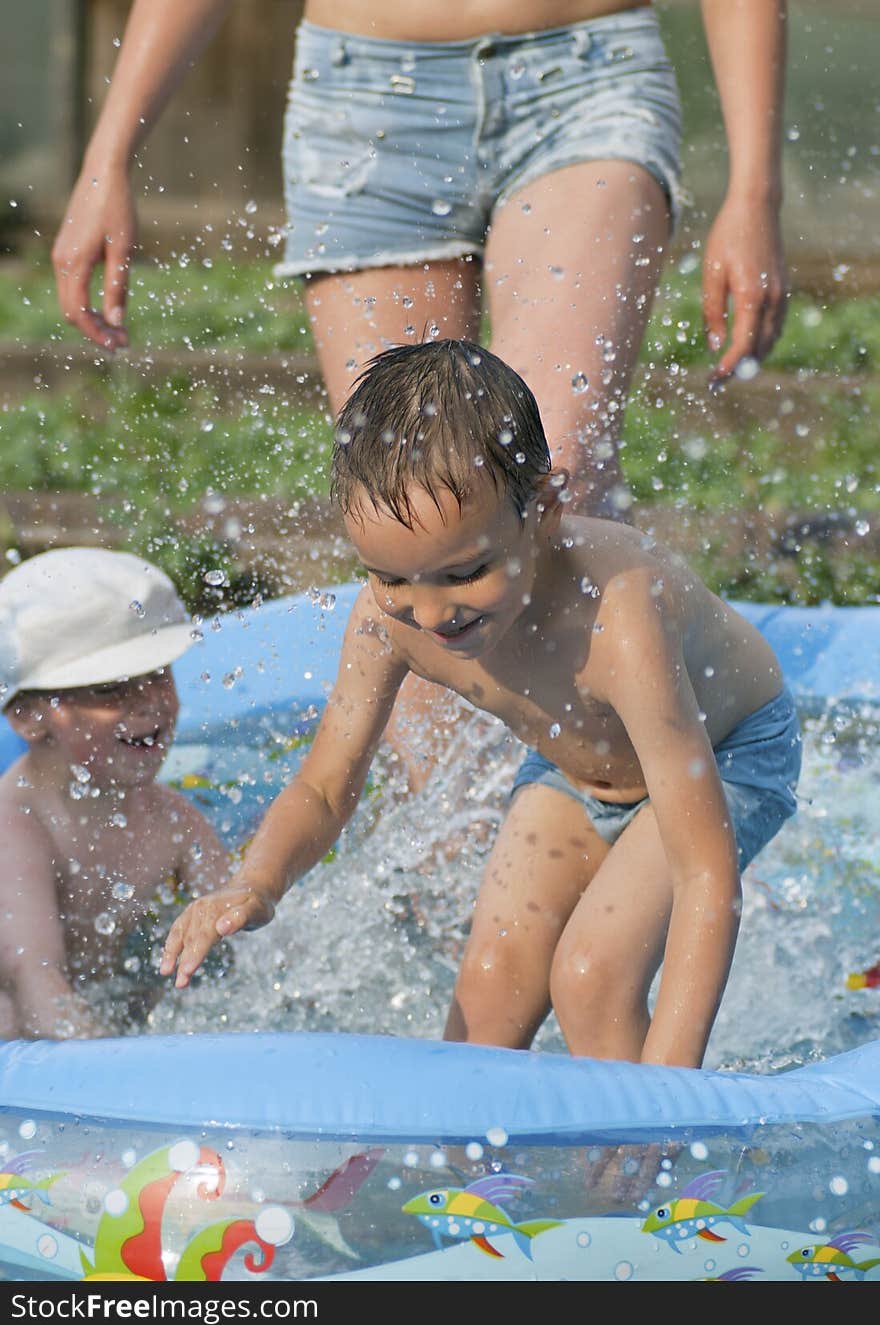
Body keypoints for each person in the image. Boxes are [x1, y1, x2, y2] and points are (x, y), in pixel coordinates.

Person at [50, 1, 788, 785]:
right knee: (410, 508)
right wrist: (108, 159)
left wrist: (755, 191)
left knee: (548, 467)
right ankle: (444, 865)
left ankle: (638, 817)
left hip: (585, 77)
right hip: (363, 98)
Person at [160, 339, 801, 1071]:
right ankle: (466, 1174)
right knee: (492, 988)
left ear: (546, 511)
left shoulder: (617, 621)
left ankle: (642, 1162)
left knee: (590, 976)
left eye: (467, 571)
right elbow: (324, 784)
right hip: (577, 763)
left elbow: (702, 872)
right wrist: (255, 882)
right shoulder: (387, 621)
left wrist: (673, 1097)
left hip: (727, 752)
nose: (431, 613)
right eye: (391, 577)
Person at [0, 547, 231, 1039]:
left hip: (114, 1014)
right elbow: (35, 979)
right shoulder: (15, 825)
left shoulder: (172, 820)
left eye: (158, 673)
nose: (149, 702)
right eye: (110, 687)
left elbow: (255, 942)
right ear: (29, 715)